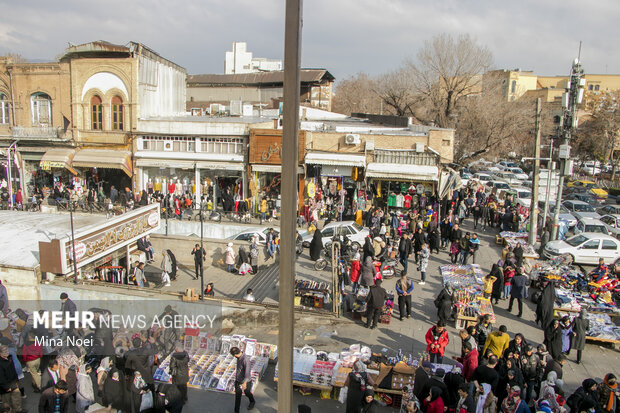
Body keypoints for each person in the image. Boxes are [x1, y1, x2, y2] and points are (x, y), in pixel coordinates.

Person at [230, 346, 255, 413]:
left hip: (246, 381)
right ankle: (236, 411)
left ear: (235, 355)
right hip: (238, 380)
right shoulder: (239, 357)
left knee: (247, 393)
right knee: (238, 396)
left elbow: (247, 373)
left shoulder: (245, 360)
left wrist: (244, 383)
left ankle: (252, 401)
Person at [0, 345, 20, 413]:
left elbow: (13, 370)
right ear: (0, 353)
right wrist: (6, 387)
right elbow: (1, 377)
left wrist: (17, 380)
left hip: (13, 382)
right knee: (7, 402)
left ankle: (18, 410)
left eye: (7, 350)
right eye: (5, 351)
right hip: (5, 386)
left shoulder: (9, 358)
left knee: (17, 398)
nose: (7, 352)